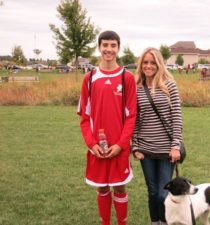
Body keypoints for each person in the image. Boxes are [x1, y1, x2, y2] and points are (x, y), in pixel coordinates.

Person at [77, 30, 137, 225]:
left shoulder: (126, 78)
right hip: (97, 147)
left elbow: (132, 116)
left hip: (119, 147)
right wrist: (91, 143)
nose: (109, 49)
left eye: (113, 45)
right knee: (102, 188)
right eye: (105, 45)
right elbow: (84, 117)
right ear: (99, 47)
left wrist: (120, 144)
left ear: (118, 48)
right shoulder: (90, 78)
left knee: (119, 187)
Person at [132, 47, 183, 225]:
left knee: (163, 193)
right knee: (152, 191)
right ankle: (155, 222)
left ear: (159, 64)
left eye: (152, 62)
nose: (148, 66)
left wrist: (175, 145)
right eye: (145, 62)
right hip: (145, 150)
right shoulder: (136, 88)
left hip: (166, 150)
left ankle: (165, 220)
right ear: (140, 65)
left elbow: (177, 117)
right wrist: (135, 146)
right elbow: (135, 120)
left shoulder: (169, 85)